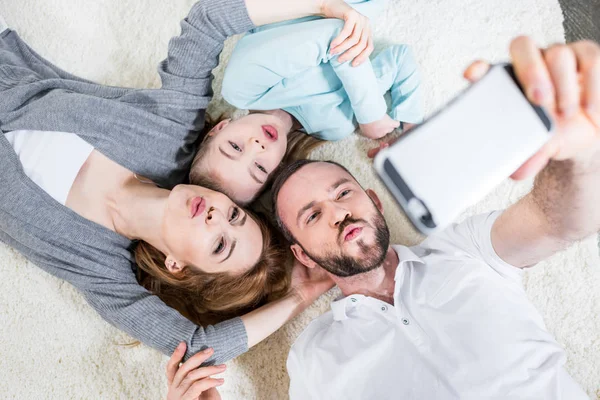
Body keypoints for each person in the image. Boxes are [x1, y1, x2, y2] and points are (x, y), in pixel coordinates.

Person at [0, 0, 369, 364]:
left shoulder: (99, 268)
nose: (217, 216)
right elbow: (207, 20)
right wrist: (324, 6)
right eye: (236, 216)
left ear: (177, 265)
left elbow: (196, 347)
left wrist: (299, 297)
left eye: (220, 245)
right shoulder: (171, 136)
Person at [268, 36, 599, 399]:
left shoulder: (464, 248)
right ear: (302, 255)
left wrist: (581, 154)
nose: (339, 213)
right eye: (313, 215)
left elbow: (559, 222)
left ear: (375, 202)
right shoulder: (312, 357)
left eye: (343, 192)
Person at [188, 0, 423, 204]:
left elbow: (338, 30)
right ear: (276, 170)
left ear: (220, 128)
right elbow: (400, 59)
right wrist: (410, 132)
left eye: (235, 147)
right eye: (259, 168)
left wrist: (371, 116)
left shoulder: (242, 87)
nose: (257, 147)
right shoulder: (333, 127)